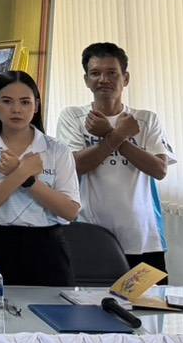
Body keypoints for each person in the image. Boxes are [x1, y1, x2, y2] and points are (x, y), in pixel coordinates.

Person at [55, 42, 176, 272]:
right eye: (95, 73)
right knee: (92, 295)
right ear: (86, 80)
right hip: (90, 234)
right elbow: (75, 166)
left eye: (112, 73)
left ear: (125, 78)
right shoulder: (73, 117)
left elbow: (159, 170)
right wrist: (118, 134)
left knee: (149, 296)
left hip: (143, 238)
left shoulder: (146, 119)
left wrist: (110, 135)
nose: (103, 79)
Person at [0, 71, 81, 286]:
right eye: (7, 101)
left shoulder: (57, 150)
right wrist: (22, 172)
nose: (16, 109)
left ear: (36, 106)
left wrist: (29, 181)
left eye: (25, 102)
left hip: (47, 247)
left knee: (51, 307)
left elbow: (70, 211)